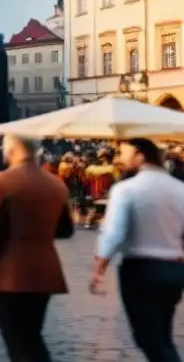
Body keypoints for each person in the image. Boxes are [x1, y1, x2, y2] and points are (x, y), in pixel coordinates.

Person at [0, 134, 74, 362]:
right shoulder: (55, 183)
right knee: (31, 337)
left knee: (19, 344)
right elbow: (66, 229)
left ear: (12, 150)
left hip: (9, 272)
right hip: (45, 271)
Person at [91, 138, 184, 362]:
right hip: (174, 270)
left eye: (124, 153)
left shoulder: (126, 189)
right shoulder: (180, 188)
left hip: (141, 271)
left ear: (141, 156)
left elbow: (114, 233)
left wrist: (99, 267)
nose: (119, 159)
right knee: (162, 335)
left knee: (149, 339)